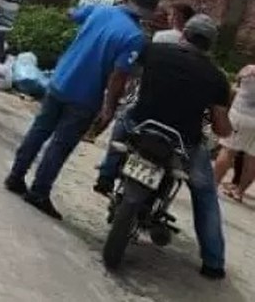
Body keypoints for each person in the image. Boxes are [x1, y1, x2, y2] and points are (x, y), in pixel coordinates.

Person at [3, 0, 160, 220]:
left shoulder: (102, 10)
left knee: (40, 130)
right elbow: (119, 75)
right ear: (150, 12)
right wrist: (108, 108)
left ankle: (16, 176)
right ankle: (39, 191)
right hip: (85, 96)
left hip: (60, 80)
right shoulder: (134, 37)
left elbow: (72, 13)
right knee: (60, 145)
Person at [95, 15, 232, 281]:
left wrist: (111, 103)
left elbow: (122, 73)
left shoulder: (154, 50)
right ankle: (214, 262)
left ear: (183, 34)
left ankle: (107, 174)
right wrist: (228, 131)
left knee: (122, 118)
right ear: (209, 47)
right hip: (183, 141)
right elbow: (219, 125)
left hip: (141, 125)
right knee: (205, 193)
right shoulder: (217, 78)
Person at [214, 63, 255, 203]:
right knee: (252, 158)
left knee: (228, 150)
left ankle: (214, 184)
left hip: (241, 114)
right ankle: (239, 192)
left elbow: (235, 85)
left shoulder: (249, 70)